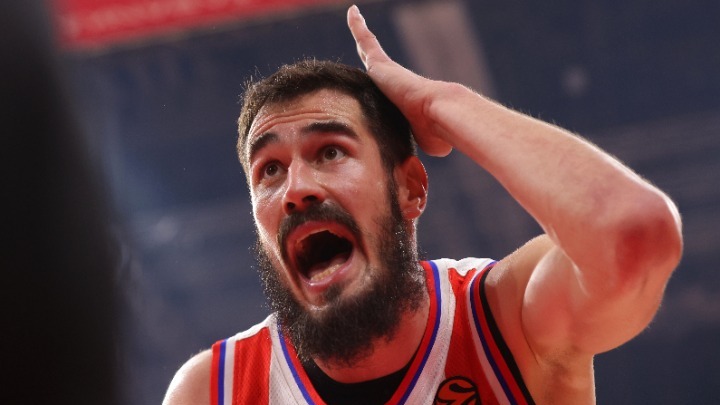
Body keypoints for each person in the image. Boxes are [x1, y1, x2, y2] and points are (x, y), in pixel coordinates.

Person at [163, 5, 682, 405]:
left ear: (410, 188)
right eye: (269, 170)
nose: (296, 189)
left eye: (330, 152)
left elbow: (635, 235)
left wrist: (441, 104)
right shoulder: (212, 390)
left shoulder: (511, 322)